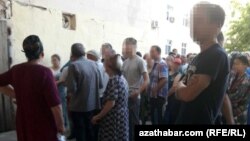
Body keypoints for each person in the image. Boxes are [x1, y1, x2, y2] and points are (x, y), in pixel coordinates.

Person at [0, 35, 64, 141]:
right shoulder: (45, 72)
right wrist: (60, 126)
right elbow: (56, 106)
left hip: (23, 122)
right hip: (43, 125)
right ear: (42, 54)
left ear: (26, 54)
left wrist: (17, 94)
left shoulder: (16, 70)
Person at [175, 2, 229, 124]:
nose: (192, 26)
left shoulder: (216, 55)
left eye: (199, 20)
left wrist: (180, 88)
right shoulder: (198, 57)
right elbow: (181, 86)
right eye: (192, 21)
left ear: (217, 25)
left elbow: (187, 94)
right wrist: (181, 87)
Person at [66, 43, 103, 141]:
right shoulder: (94, 64)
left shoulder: (73, 66)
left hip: (78, 106)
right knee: (91, 131)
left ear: (72, 53)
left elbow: (71, 88)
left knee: (80, 132)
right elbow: (100, 85)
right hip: (93, 105)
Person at [92, 54, 129, 141]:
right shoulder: (121, 78)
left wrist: (98, 116)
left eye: (105, 65)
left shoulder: (114, 80)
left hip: (114, 118)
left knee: (112, 137)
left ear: (110, 66)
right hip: (121, 115)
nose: (104, 69)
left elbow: (111, 103)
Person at [122, 37, 149, 141]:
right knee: (126, 122)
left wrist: (138, 91)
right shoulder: (125, 62)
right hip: (125, 96)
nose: (127, 49)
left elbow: (147, 80)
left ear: (134, 47)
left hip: (134, 96)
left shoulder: (140, 61)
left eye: (129, 47)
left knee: (134, 122)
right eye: (126, 46)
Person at [227, 55, 250, 124]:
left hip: (238, 114)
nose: (234, 66)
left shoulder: (247, 80)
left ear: (245, 66)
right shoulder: (232, 76)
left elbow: (236, 96)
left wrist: (223, 97)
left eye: (237, 64)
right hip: (229, 111)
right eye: (234, 64)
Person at [149, 45, 168, 125]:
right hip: (154, 96)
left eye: (152, 51)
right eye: (150, 51)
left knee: (158, 118)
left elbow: (164, 79)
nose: (151, 53)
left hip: (159, 96)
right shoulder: (155, 63)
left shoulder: (162, 64)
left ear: (158, 52)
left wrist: (155, 89)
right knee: (154, 117)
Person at [50, 54, 69, 129]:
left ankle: (64, 125)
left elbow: (65, 80)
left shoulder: (63, 69)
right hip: (52, 91)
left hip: (61, 91)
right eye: (52, 60)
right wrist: (58, 81)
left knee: (63, 108)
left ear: (59, 60)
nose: (53, 62)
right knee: (54, 108)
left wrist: (58, 82)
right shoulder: (50, 69)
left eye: (55, 60)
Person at [164, 57, 182, 124]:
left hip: (172, 98)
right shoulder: (167, 72)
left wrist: (166, 96)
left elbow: (174, 87)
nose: (176, 65)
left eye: (178, 64)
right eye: (175, 63)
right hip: (164, 97)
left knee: (169, 116)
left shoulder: (179, 75)